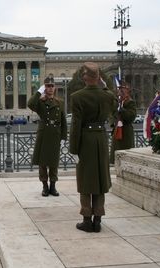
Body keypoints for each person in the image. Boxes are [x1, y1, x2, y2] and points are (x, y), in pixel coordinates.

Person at [69, 62, 116, 232]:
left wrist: (73, 149)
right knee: (100, 179)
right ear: (98, 78)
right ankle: (98, 220)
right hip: (101, 139)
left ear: (84, 77)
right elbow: (115, 101)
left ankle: (87, 219)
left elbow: (75, 125)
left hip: (86, 140)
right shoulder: (107, 96)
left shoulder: (77, 97)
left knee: (85, 180)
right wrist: (104, 87)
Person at [28, 76, 67, 197]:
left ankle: (53, 186)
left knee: (54, 162)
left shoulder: (59, 102)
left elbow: (63, 120)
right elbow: (30, 104)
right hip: (44, 134)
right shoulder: (40, 102)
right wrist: (39, 92)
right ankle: (45, 186)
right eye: (47, 86)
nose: (50, 88)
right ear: (45, 88)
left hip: (55, 133)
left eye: (52, 86)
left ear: (54, 88)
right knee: (43, 162)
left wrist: (63, 137)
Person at [110, 82, 137, 164]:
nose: (119, 92)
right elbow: (112, 114)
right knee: (116, 154)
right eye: (119, 90)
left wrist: (122, 110)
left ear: (126, 91)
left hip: (126, 132)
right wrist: (113, 123)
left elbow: (131, 116)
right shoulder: (117, 102)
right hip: (117, 131)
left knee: (126, 155)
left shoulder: (130, 102)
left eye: (122, 90)